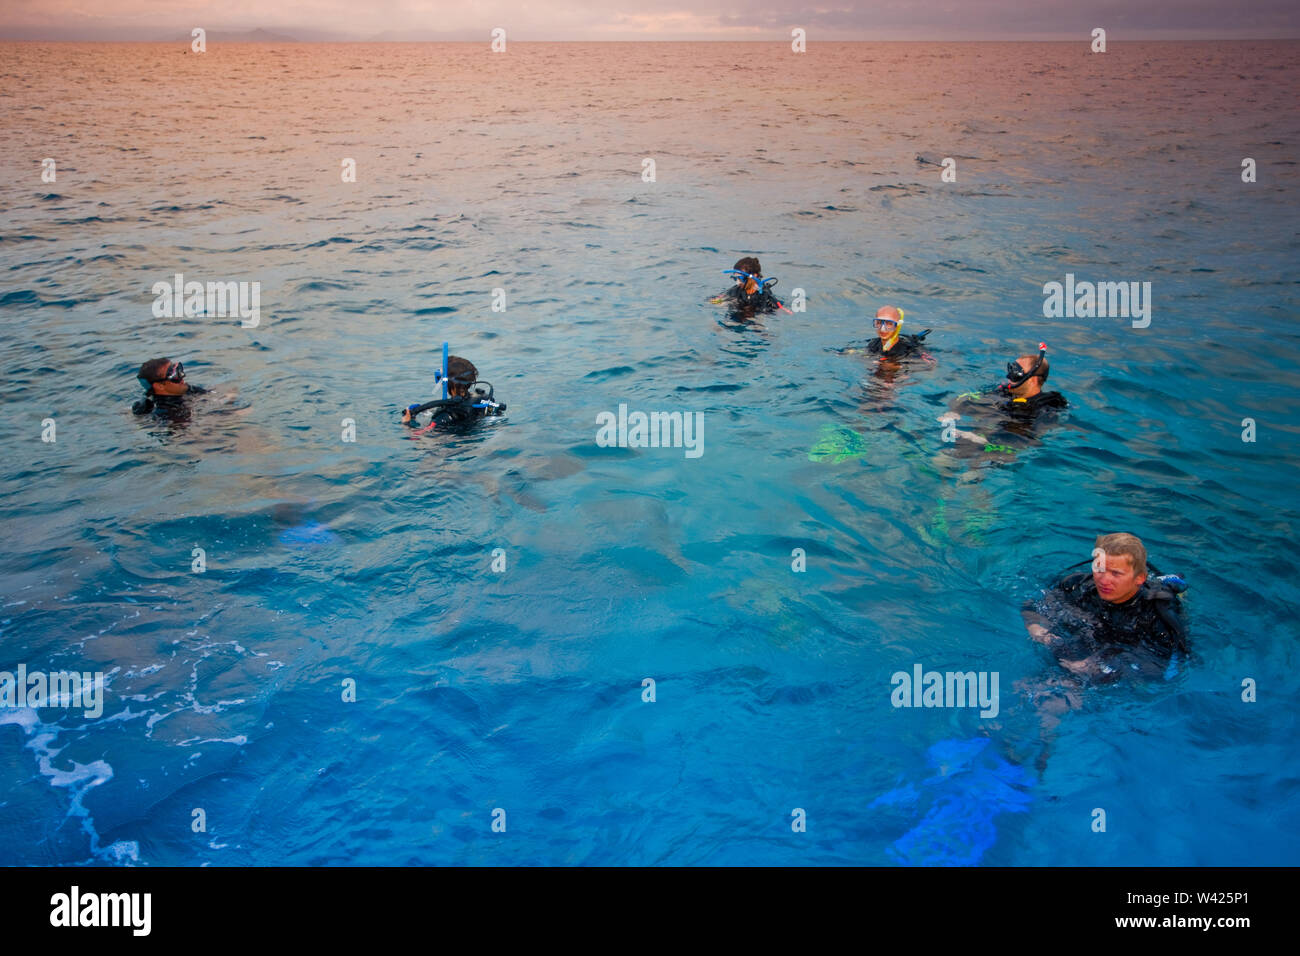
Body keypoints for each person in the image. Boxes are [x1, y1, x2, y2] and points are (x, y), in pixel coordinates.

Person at [1022, 532, 1188, 683]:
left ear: (1139, 578)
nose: (1103, 580)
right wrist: (1038, 628)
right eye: (1099, 568)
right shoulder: (1076, 586)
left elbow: (1157, 669)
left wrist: (1097, 665)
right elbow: (1033, 607)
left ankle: (1172, 583)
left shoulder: (1157, 617)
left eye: (1116, 573)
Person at [938, 343, 1068, 456]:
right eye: (1010, 369)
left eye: (1016, 373)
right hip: (985, 435)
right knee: (944, 457)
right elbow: (969, 398)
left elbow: (1022, 442)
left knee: (970, 475)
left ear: (1033, 380)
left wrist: (979, 440)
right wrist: (955, 411)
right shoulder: (1006, 392)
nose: (1009, 377)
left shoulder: (1045, 408)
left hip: (1001, 451)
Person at [401, 355, 505, 435]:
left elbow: (418, 436)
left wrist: (406, 424)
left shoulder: (444, 416)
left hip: (453, 446)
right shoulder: (481, 398)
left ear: (448, 383)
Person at [843, 306, 931, 359]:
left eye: (889, 324)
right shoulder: (874, 344)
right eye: (879, 323)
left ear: (897, 326)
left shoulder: (909, 349)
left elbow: (930, 366)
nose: (883, 329)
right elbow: (868, 352)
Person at [711, 256, 783, 318]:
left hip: (756, 318)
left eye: (740, 278)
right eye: (735, 278)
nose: (738, 282)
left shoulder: (764, 295)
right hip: (737, 316)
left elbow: (779, 310)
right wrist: (718, 300)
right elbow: (718, 298)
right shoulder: (736, 290)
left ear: (754, 276)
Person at [132, 357, 206, 415]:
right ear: (159, 386)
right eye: (173, 375)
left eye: (178, 370)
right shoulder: (168, 412)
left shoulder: (185, 389)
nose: (182, 376)